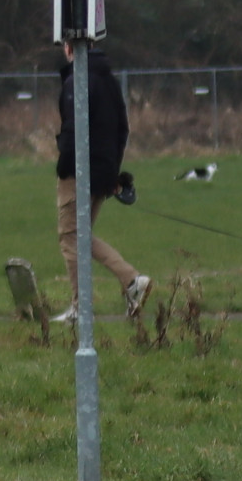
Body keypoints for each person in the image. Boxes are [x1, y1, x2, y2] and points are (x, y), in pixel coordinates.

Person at [50, 44, 149, 319]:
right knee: (81, 236)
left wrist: (63, 166)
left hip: (78, 171)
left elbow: (71, 129)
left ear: (70, 47)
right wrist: (111, 172)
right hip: (104, 173)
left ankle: (87, 304)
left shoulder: (76, 81)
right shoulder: (109, 81)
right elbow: (122, 128)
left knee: (70, 237)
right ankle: (130, 282)